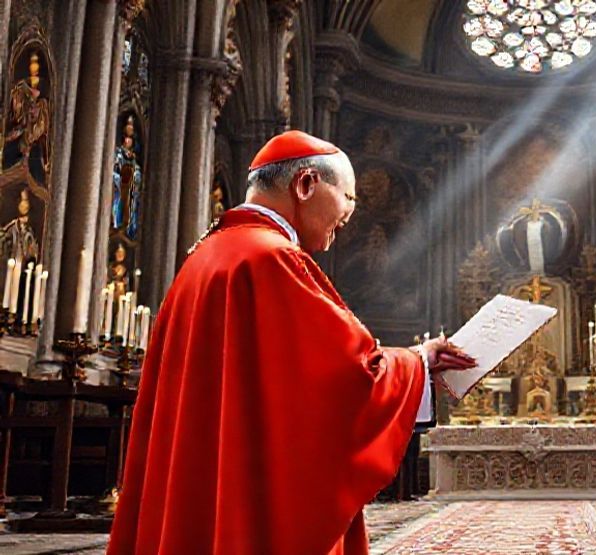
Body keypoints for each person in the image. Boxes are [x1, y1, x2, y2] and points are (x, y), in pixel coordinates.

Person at [108, 130, 475, 555]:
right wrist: (419, 361)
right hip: (252, 492)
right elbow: (345, 378)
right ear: (305, 184)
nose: (350, 214)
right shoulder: (272, 258)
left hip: (205, 479)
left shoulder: (207, 255)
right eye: (348, 198)